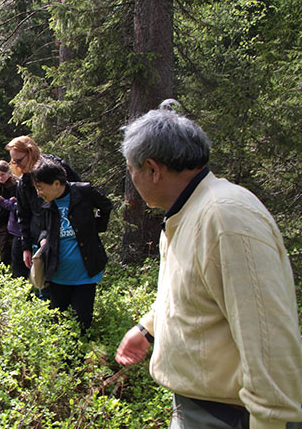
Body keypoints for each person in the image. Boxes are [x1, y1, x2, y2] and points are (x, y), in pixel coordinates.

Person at [114, 101, 302, 429]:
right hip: (199, 407)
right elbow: (188, 291)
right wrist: (148, 329)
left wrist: (274, 420)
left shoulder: (225, 218)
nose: (131, 180)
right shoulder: (185, 213)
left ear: (153, 169)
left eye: (131, 170)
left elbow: (271, 340)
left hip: (231, 415)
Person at [31, 159, 112, 331]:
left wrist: (94, 227)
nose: (38, 192)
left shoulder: (83, 191)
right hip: (58, 274)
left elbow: (106, 206)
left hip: (85, 274)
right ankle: (62, 359)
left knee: (82, 324)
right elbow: (43, 227)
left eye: (40, 187)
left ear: (56, 183)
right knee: (58, 324)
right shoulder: (45, 201)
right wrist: (43, 239)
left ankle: (80, 358)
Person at [5, 136, 81, 297]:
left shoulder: (56, 168)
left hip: (66, 236)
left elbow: (79, 194)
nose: (17, 165)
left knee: (70, 283)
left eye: (19, 160)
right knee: (46, 288)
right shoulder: (24, 182)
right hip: (39, 239)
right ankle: (51, 318)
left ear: (30, 152)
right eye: (14, 162)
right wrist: (26, 246)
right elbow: (23, 215)